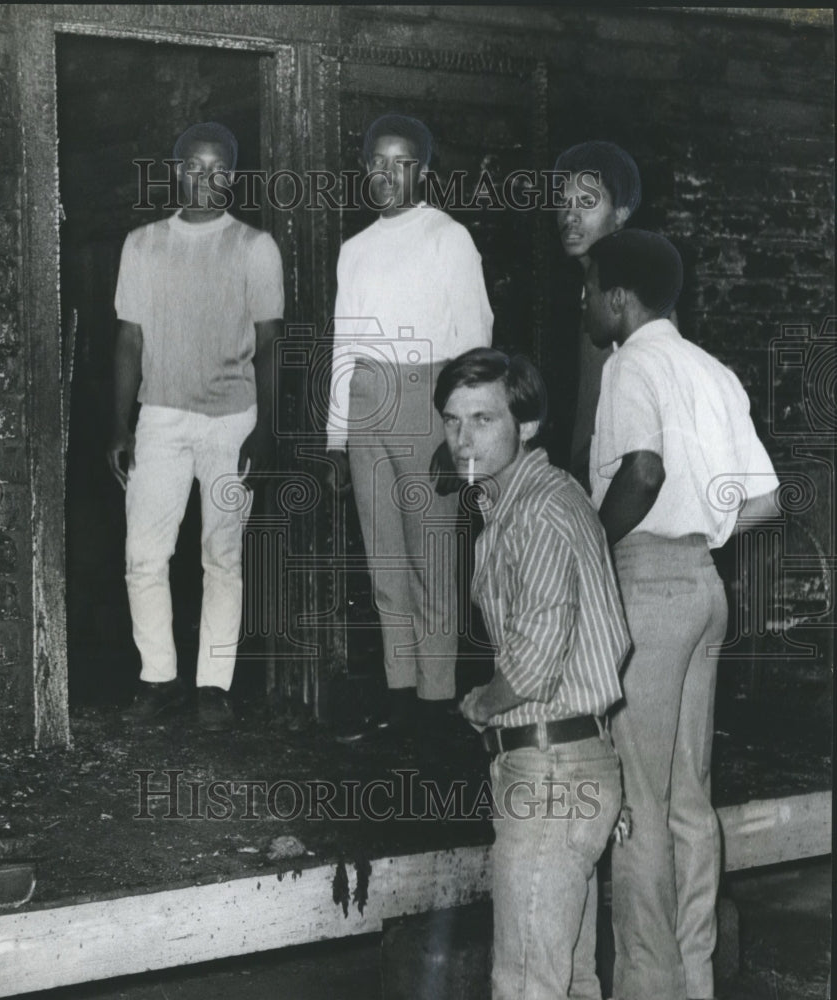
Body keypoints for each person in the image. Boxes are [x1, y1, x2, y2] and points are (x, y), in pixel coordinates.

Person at [584, 230, 779, 1000]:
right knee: (690, 798)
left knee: (637, 799)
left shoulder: (628, 363)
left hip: (647, 585)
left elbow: (642, 469)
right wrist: (701, 528)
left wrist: (588, 552)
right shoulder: (712, 370)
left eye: (592, 288)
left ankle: (645, 986)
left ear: (621, 298)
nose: (585, 301)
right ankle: (693, 981)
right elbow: (762, 498)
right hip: (704, 585)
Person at [440, 348, 629, 1000]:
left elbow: (536, 662)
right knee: (568, 982)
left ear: (525, 426)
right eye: (452, 419)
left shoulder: (534, 516)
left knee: (527, 985)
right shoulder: (546, 498)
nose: (462, 437)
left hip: (551, 772)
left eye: (483, 419)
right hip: (575, 760)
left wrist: (483, 703)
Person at [109, 122, 284, 731]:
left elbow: (269, 343)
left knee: (222, 555)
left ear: (231, 177)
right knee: (144, 556)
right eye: (192, 167)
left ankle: (214, 684)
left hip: (232, 421)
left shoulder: (255, 246)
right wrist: (120, 425)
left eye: (216, 170)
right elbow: (128, 339)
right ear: (175, 170)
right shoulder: (143, 244)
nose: (203, 180)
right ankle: (158, 677)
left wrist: (265, 428)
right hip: (159, 416)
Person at [325, 114, 493, 740]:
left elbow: (476, 344)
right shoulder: (355, 247)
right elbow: (343, 345)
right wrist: (336, 439)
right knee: (384, 559)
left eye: (399, 162)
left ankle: (437, 696)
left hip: (429, 398)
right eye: (375, 161)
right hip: (368, 399)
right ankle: (400, 691)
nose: (384, 174)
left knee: (434, 557)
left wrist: (463, 435)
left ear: (422, 169)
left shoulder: (448, 237)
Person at [553, 141, 642, 487]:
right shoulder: (589, 288)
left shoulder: (630, 290)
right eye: (563, 203)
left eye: (587, 203)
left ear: (620, 213)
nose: (569, 216)